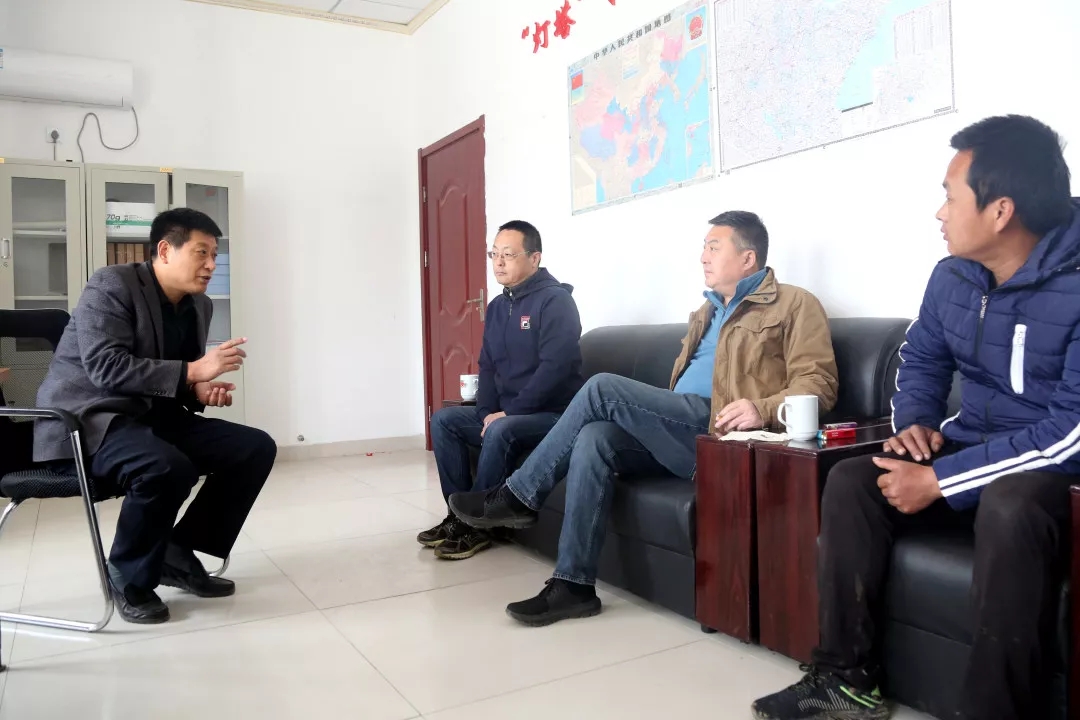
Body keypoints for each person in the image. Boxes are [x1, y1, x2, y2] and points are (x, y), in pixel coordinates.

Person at [752, 115, 1079, 720]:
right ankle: (846, 680)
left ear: (1000, 211)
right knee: (855, 479)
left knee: (1011, 504)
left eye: (950, 197)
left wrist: (939, 481)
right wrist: (916, 423)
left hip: (1055, 473)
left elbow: (1068, 435)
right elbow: (922, 358)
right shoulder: (953, 276)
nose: (939, 213)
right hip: (975, 449)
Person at [449, 210, 839, 625]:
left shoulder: (795, 304)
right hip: (680, 427)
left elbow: (819, 383)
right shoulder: (706, 313)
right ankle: (573, 585)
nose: (703, 256)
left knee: (601, 387)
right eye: (703, 248)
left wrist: (760, 407)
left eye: (713, 247)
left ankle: (518, 495)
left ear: (748, 258)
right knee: (595, 437)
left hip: (720, 431)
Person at [34, 208, 277, 625]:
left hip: (151, 417)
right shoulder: (111, 285)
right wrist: (194, 372)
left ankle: (173, 552)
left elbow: (176, 376)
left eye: (215, 255)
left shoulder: (199, 306)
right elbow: (106, 368)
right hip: (89, 422)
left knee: (254, 448)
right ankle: (126, 575)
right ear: (165, 250)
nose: (211, 265)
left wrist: (197, 389)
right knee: (164, 467)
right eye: (201, 253)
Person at [419, 220, 584, 560]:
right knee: (445, 421)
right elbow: (488, 366)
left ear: (535, 258)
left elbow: (554, 369)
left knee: (500, 428)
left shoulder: (556, 302)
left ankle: (478, 526)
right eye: (494, 254)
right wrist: (485, 412)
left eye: (508, 255)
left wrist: (509, 413)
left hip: (554, 416)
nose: (498, 262)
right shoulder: (497, 306)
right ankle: (457, 517)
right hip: (510, 413)